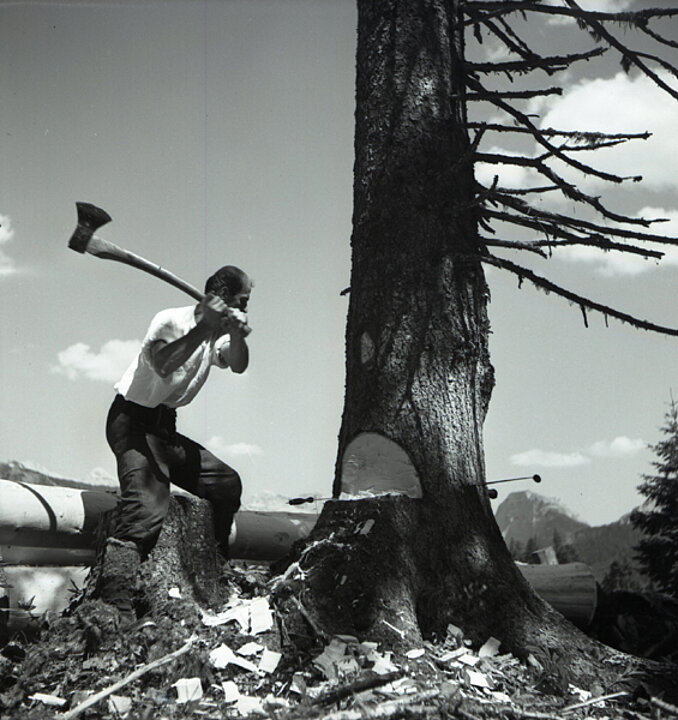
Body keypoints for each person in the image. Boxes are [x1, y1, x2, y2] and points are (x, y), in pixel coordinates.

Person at [99, 265, 252, 618]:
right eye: (243, 302)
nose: (245, 309)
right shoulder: (170, 320)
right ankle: (113, 606)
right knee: (147, 509)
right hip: (132, 422)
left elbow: (239, 364)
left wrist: (239, 336)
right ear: (224, 297)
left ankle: (216, 573)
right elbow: (163, 365)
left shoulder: (219, 334)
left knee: (227, 485)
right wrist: (204, 328)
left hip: (165, 430)